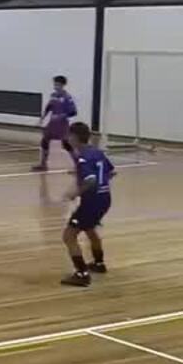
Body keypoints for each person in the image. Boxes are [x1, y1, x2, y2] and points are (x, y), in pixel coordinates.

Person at [59, 122, 115, 288]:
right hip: (105, 198)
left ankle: (82, 274)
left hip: (92, 202)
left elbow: (90, 180)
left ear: (74, 137)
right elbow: (111, 172)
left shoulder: (83, 157)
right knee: (90, 229)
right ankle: (98, 263)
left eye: (69, 136)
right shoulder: (97, 152)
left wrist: (75, 193)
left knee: (69, 236)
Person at [32, 75, 77, 172]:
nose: (55, 86)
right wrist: (42, 118)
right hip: (52, 124)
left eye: (57, 85)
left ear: (63, 85)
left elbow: (73, 112)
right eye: (55, 84)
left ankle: (78, 165)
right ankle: (43, 164)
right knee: (44, 141)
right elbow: (49, 107)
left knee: (66, 144)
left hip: (62, 124)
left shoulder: (67, 97)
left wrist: (61, 116)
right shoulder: (53, 96)